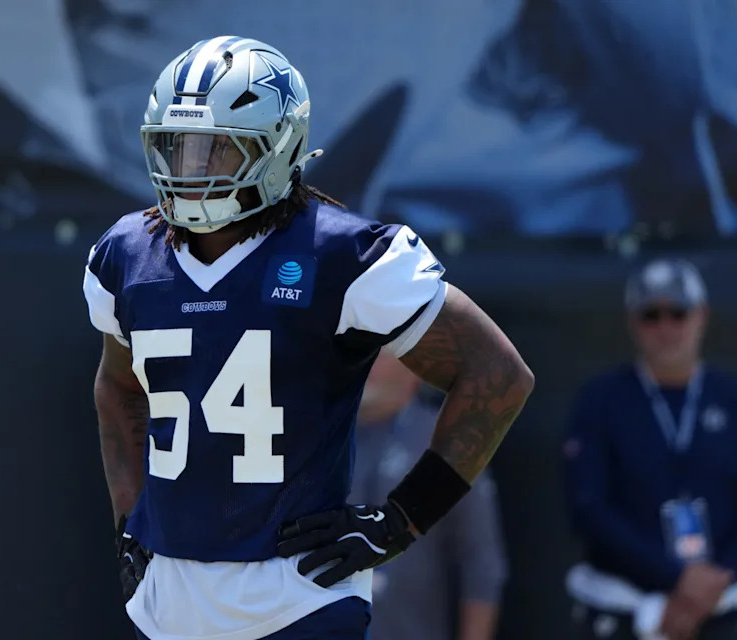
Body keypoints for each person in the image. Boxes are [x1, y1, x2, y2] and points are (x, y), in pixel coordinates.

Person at [84, 36, 534, 640]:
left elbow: (498, 374)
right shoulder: (127, 254)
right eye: (177, 146)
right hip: (167, 602)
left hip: (295, 599)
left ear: (278, 148)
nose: (190, 170)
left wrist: (401, 519)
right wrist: (129, 521)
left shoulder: (343, 253)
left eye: (217, 149)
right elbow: (118, 386)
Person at [563, 259, 737, 640]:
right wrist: (676, 577)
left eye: (678, 313)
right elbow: (588, 509)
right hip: (623, 606)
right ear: (632, 322)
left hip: (724, 604)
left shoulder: (729, 397)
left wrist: (714, 580)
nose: (666, 328)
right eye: (651, 316)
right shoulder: (601, 401)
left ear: (702, 316)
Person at [351, 350, 508, 640]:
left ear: (417, 368)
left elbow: (481, 563)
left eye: (382, 349)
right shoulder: (316, 439)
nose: (367, 359)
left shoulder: (446, 442)